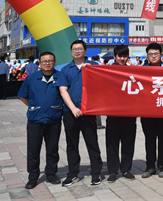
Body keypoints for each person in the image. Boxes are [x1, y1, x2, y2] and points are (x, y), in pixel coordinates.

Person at [57, 40, 103, 186]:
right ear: (71, 52)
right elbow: (63, 90)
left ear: (85, 51)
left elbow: (104, 84)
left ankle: (96, 173)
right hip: (70, 112)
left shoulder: (94, 66)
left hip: (88, 112)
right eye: (74, 49)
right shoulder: (66, 69)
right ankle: (73, 174)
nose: (77, 51)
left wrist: (92, 71)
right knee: (72, 144)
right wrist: (73, 108)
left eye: (80, 49)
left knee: (92, 143)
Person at [18, 51, 63, 189]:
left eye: (50, 61)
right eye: (45, 61)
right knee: (33, 149)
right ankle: (33, 177)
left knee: (52, 148)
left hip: (53, 118)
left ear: (54, 62)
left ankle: (51, 173)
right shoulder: (32, 78)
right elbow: (22, 96)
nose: (47, 63)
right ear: (40, 63)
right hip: (35, 120)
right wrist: (33, 107)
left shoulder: (60, 77)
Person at [105, 45, 137, 183]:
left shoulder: (133, 72)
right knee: (112, 144)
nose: (122, 59)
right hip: (113, 115)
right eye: (120, 56)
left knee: (128, 143)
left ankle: (126, 169)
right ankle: (112, 171)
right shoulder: (107, 71)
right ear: (114, 57)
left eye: (124, 56)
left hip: (129, 115)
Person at [140, 42, 163, 178]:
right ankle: (150, 166)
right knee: (149, 140)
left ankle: (162, 166)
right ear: (147, 56)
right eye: (151, 54)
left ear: (161, 55)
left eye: (156, 54)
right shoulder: (142, 70)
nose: (153, 56)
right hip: (147, 111)